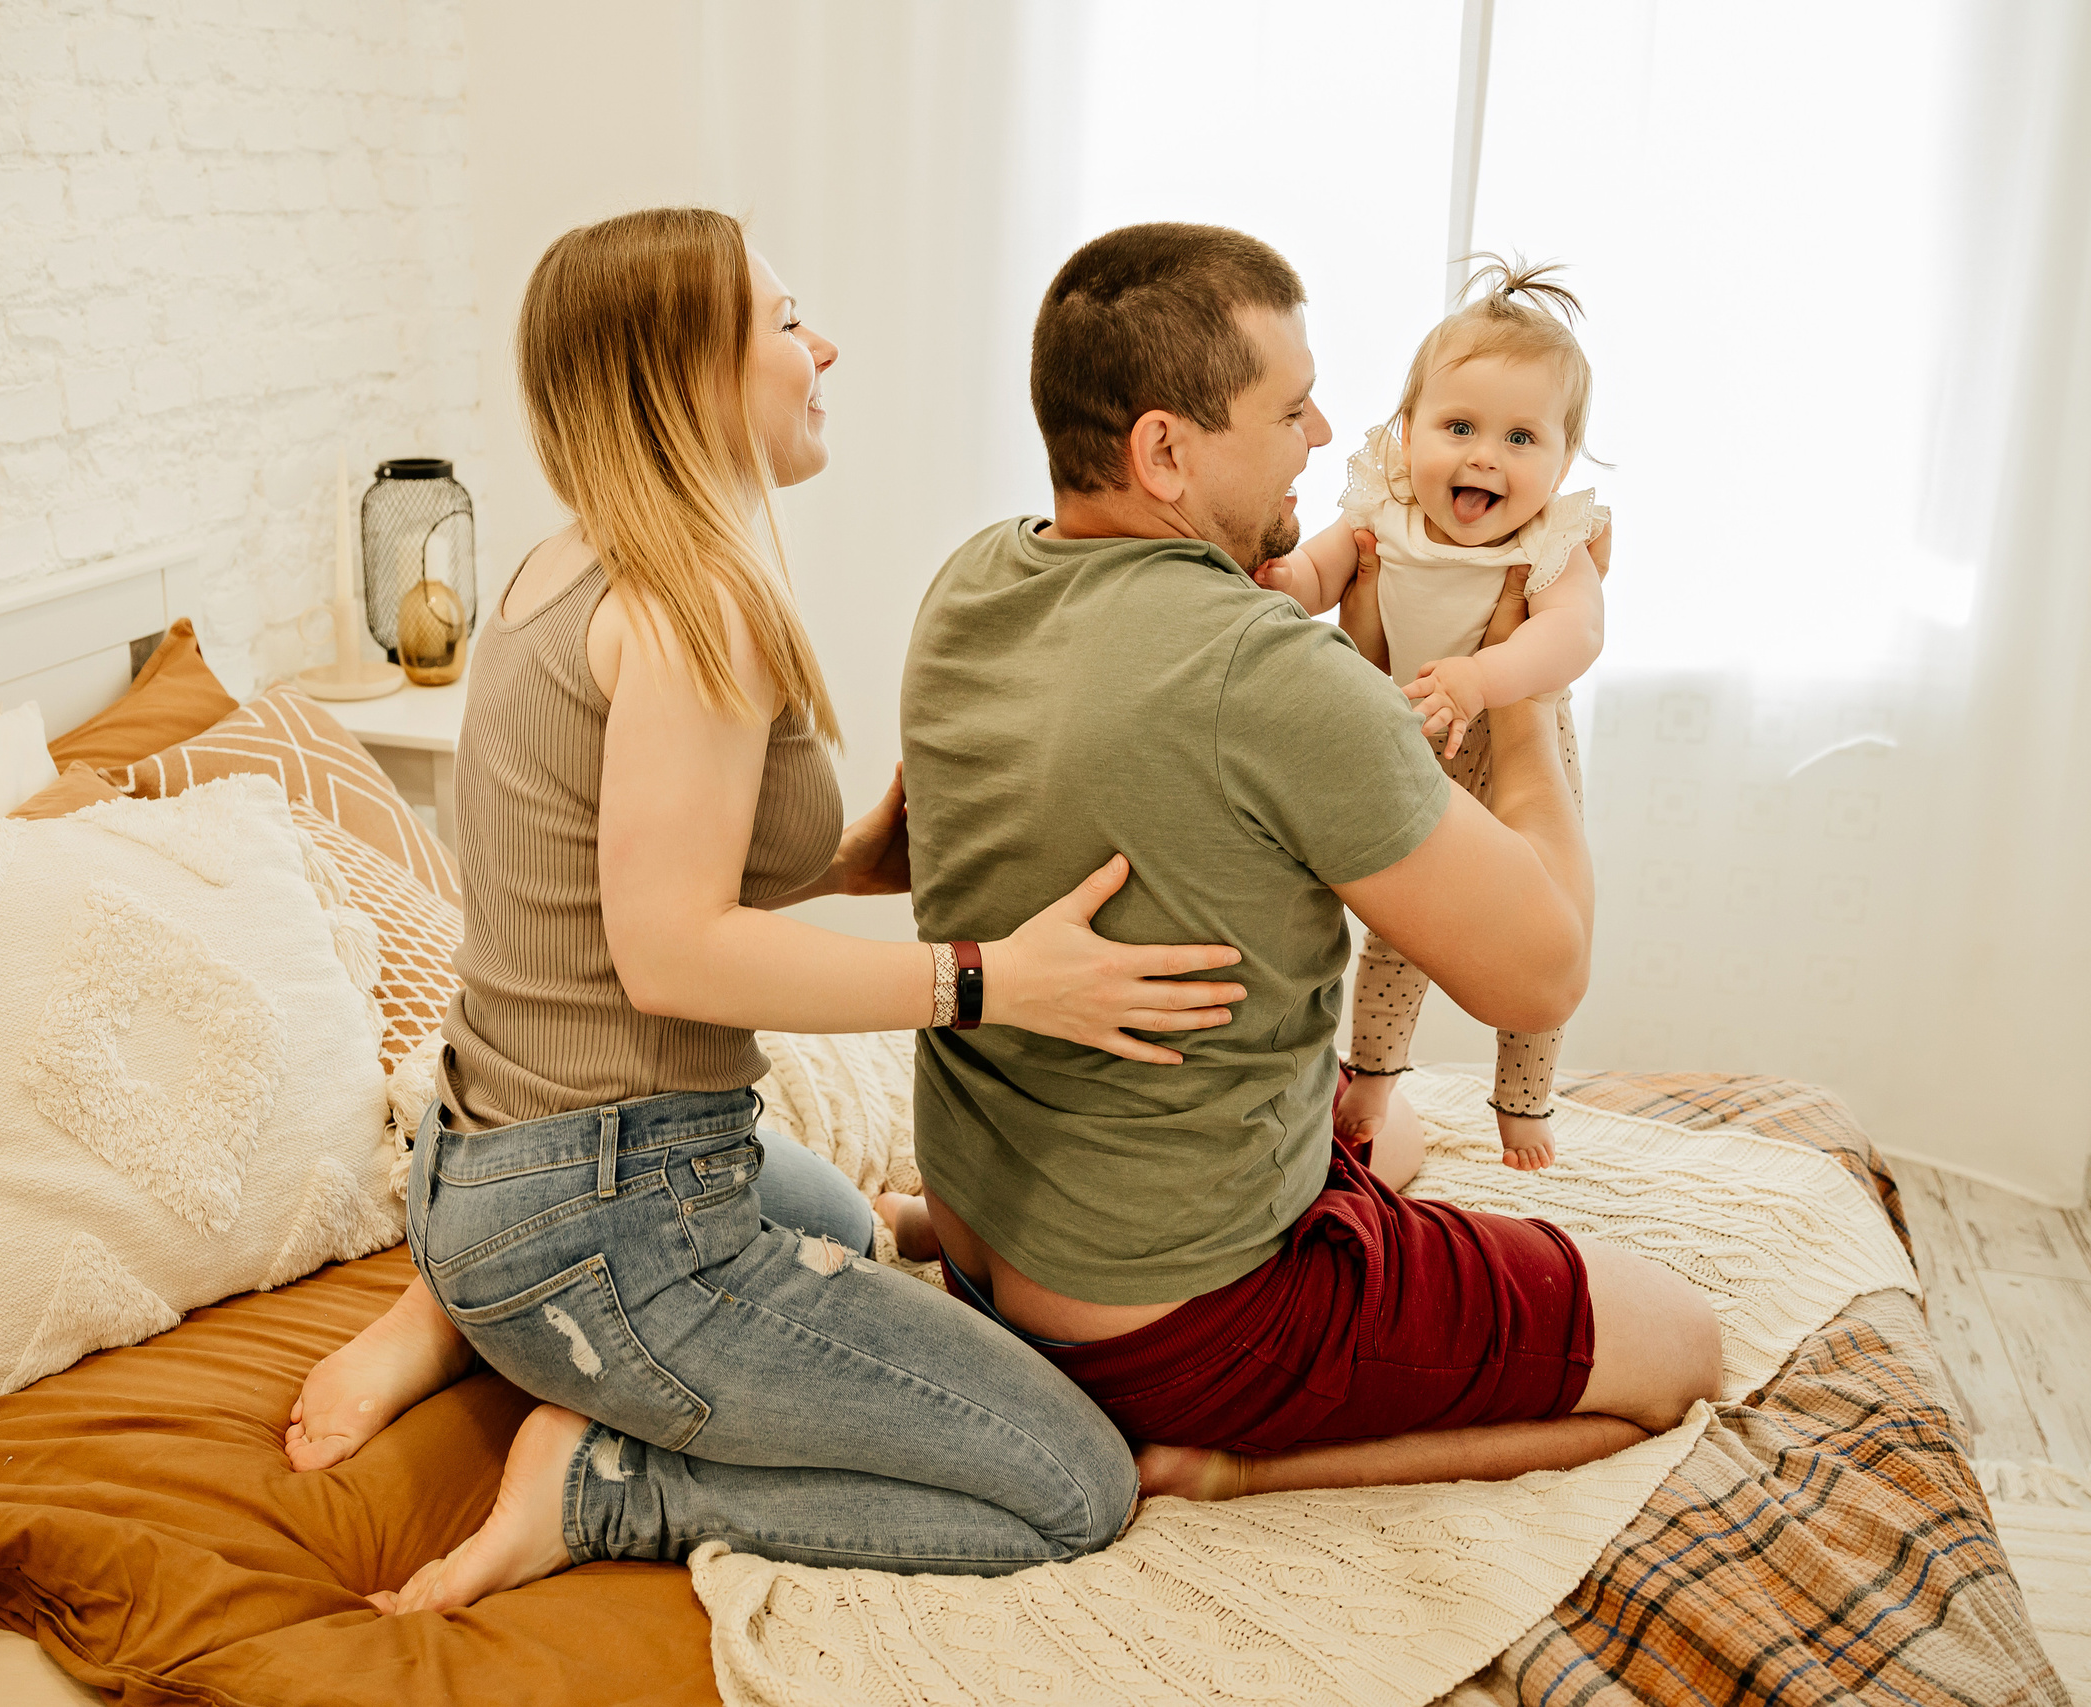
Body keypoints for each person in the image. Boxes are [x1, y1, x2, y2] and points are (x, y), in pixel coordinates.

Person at [283, 207, 1251, 1611]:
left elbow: (626, 862)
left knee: (856, 1223)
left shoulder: (568, 565)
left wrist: (856, 858)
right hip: (606, 1214)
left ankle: (457, 1304)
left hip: (490, 1162)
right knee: (1073, 1485)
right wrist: (989, 979)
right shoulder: (696, 607)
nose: (826, 348)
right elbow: (672, 951)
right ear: (690, 373)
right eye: (790, 323)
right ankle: (606, 1485)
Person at [898, 222, 1721, 1501]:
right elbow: (1542, 974)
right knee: (1683, 1348)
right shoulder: (1271, 673)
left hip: (984, 1240)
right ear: (1164, 451)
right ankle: (1229, 1473)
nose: (1327, 435)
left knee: (1390, 1136)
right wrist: (1517, 686)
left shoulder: (977, 579)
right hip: (1175, 1330)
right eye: (1290, 409)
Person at [1257, 255, 1610, 1169]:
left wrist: (1485, 679)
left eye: (1522, 438)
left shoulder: (1549, 541)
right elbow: (1321, 573)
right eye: (1460, 427)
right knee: (1404, 924)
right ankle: (1375, 1074)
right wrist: (1281, 582)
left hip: (1511, 747)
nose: (1486, 455)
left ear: (1562, 461)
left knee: (1544, 919)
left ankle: (1524, 1101)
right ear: (1406, 432)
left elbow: (1573, 634)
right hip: (1414, 736)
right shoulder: (1385, 511)